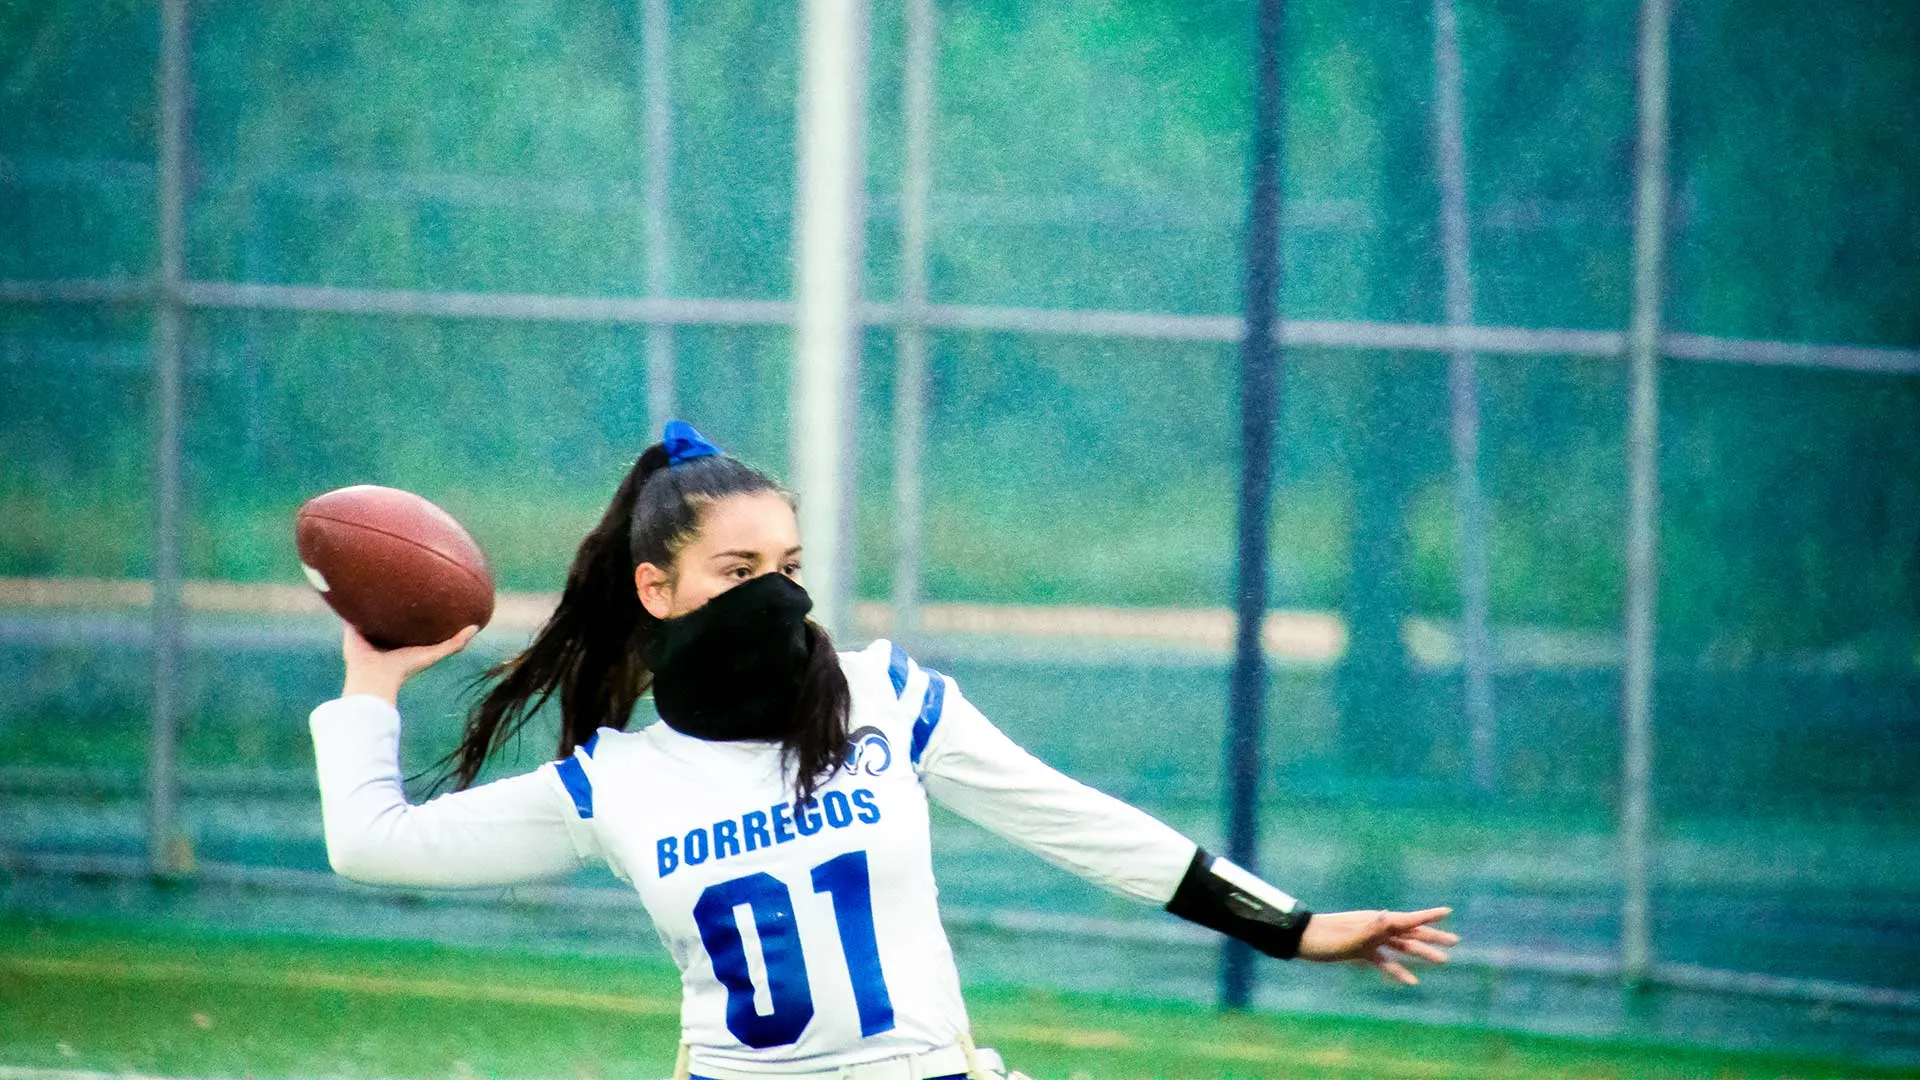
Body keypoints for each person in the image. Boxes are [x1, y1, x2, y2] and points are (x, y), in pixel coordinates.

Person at [309, 421, 1459, 1080]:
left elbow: (1080, 824)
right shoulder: (619, 782)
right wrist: (372, 678)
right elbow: (371, 845)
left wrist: (1289, 925)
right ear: (655, 591)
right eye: (738, 573)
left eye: (789, 566)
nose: (777, 595)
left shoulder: (884, 700)